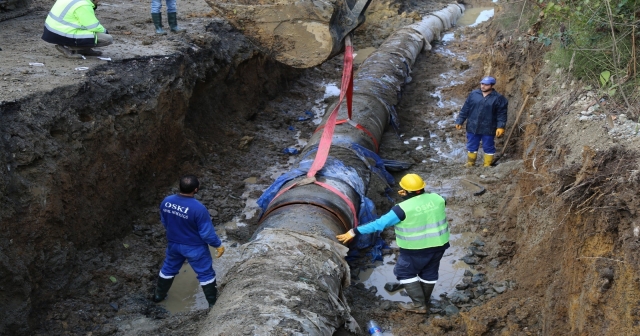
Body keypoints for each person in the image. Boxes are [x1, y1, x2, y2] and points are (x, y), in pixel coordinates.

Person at [336, 174, 449, 314]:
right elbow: (439, 202)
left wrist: (355, 231)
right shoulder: (437, 198)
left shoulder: (401, 209)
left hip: (415, 249)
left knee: (404, 272)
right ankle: (424, 300)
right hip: (440, 245)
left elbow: (379, 224)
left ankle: (419, 305)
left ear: (405, 191)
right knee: (429, 272)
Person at [152, 175, 225, 308]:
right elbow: (207, 234)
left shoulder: (167, 201)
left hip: (173, 244)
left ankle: (158, 296)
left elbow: (164, 221)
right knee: (205, 273)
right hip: (194, 247)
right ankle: (213, 304)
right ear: (196, 189)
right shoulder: (198, 208)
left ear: (179, 187)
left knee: (168, 268)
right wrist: (218, 245)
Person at [455, 76, 508, 167]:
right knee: (471, 145)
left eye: (486, 85)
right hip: (473, 126)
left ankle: (487, 165)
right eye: (482, 84)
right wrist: (460, 120)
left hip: (488, 127)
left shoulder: (498, 98)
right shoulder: (474, 94)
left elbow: (501, 114)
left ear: (492, 85)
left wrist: (500, 126)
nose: (483, 86)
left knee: (488, 146)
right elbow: (466, 108)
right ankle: (470, 163)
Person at [42, 0, 113, 58]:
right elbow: (93, 26)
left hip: (51, 30)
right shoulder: (83, 5)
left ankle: (84, 49)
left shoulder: (78, 2)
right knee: (107, 39)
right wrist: (105, 32)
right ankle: (71, 48)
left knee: (87, 30)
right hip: (62, 33)